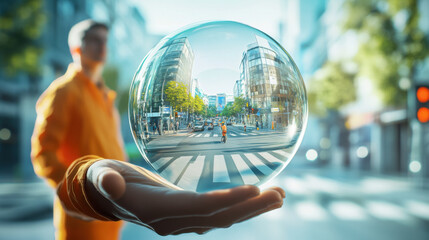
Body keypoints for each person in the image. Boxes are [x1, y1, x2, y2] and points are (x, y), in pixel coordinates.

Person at [31, 19, 285, 240]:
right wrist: (80, 190)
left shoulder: (106, 96)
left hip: (111, 211)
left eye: (105, 41)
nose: (102, 47)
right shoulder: (63, 92)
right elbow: (43, 155)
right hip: (81, 214)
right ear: (77, 47)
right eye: (95, 40)